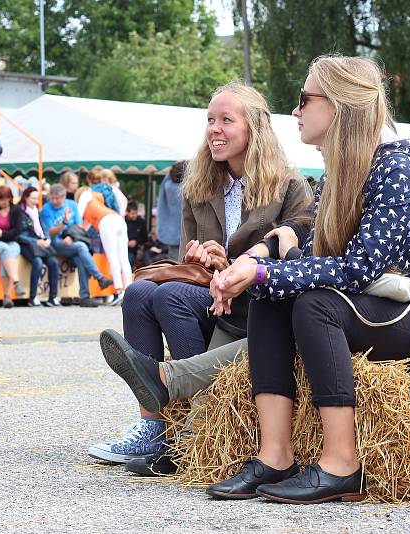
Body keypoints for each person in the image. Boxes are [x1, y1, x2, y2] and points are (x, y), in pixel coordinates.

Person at [202, 55, 410, 504]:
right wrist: (259, 271)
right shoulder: (340, 173)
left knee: (312, 302)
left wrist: (261, 268)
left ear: (337, 106)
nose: (295, 111)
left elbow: (358, 269)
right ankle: (275, 456)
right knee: (272, 295)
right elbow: (315, 253)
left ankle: (342, 465)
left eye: (304, 99)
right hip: (395, 303)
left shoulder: (393, 170)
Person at [89, 82, 312, 465]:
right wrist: (201, 260)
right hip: (210, 296)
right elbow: (184, 267)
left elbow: (299, 258)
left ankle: (202, 422)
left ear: (253, 128)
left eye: (226, 120)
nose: (214, 129)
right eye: (210, 120)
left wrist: (232, 265)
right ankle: (153, 427)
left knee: (169, 296)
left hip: (259, 302)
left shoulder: (289, 185)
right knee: (141, 293)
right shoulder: (199, 185)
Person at [40, 183, 113, 308]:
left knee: (80, 259)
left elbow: (79, 226)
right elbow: (50, 232)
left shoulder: (72, 205)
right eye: (52, 198)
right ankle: (99, 277)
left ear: (64, 197)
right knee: (81, 247)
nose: (54, 201)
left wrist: (71, 237)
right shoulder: (47, 208)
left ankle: (84, 296)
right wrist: (64, 223)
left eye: (57, 198)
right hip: (55, 243)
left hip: (73, 241)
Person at [76, 184, 132, 305]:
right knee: (123, 258)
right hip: (118, 220)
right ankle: (129, 291)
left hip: (106, 223)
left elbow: (78, 215)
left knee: (113, 257)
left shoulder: (86, 194)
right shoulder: (97, 198)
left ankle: (119, 292)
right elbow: (85, 226)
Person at [17, 186, 59, 307]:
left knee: (53, 262)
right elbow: (19, 234)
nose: (36, 201)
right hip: (26, 244)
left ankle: (53, 297)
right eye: (33, 198)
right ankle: (33, 296)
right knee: (38, 262)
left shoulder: (37, 212)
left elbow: (44, 228)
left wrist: (47, 239)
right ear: (25, 198)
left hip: (40, 244)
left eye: (37, 198)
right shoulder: (20, 212)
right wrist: (36, 242)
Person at [156, 160, 185, 260]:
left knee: (173, 262)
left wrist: (173, 168)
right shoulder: (187, 190)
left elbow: (166, 178)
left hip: (171, 234)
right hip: (186, 234)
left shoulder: (168, 186)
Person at [125, 201, 148, 267]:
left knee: (128, 260)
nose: (135, 215)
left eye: (136, 213)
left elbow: (145, 238)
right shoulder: (122, 221)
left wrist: (136, 242)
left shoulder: (141, 222)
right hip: (122, 247)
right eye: (132, 213)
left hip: (134, 250)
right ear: (128, 213)